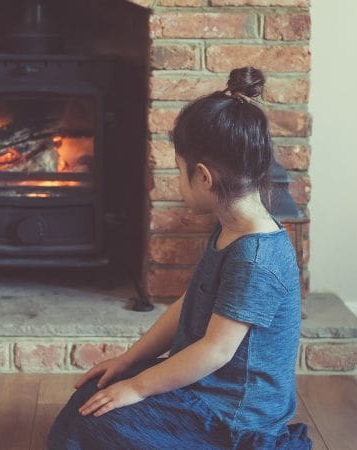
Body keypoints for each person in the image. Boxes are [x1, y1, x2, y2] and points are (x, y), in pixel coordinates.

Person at [47, 67, 312, 450]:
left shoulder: (257, 257)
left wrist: (138, 387)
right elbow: (188, 304)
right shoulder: (228, 226)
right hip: (205, 386)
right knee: (92, 396)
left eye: (178, 170)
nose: (177, 180)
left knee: (97, 426)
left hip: (234, 415)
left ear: (203, 177)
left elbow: (216, 351)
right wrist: (127, 361)